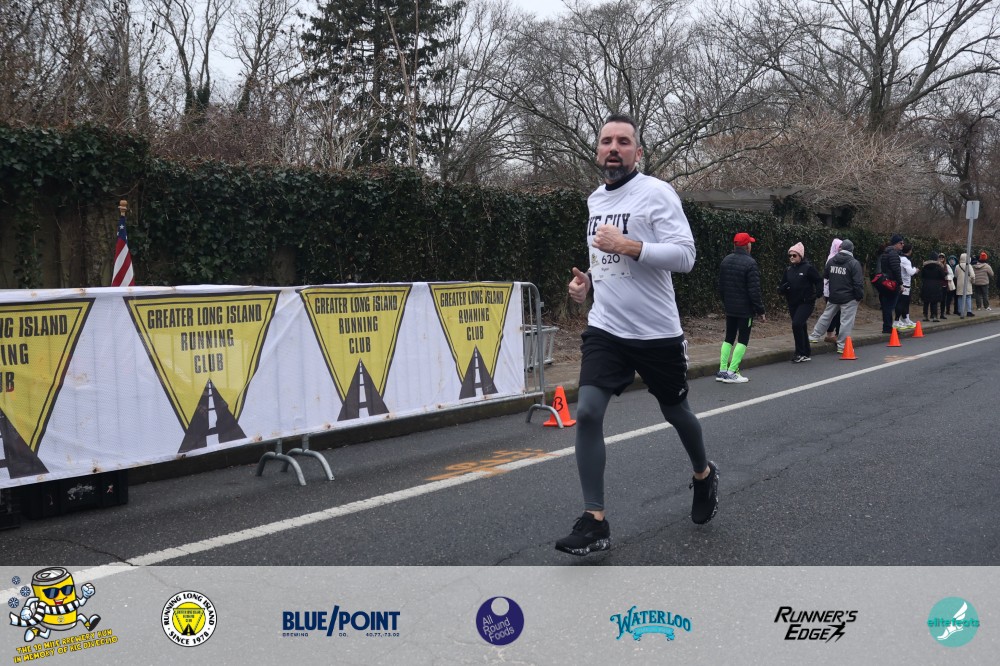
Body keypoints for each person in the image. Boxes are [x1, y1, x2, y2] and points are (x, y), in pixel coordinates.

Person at [558, 113, 719, 556]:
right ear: (597, 150)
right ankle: (594, 522)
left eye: (623, 142)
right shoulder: (594, 200)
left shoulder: (656, 192)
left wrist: (629, 245)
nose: (613, 148)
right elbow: (603, 259)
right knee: (587, 412)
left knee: (677, 412)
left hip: (656, 332)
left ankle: (703, 474)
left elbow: (686, 256)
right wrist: (586, 285)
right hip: (606, 328)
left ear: (638, 152)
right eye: (606, 141)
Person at [717, 232, 765, 383]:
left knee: (729, 338)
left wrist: (726, 302)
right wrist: (760, 310)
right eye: (750, 243)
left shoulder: (726, 260)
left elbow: (721, 287)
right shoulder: (750, 263)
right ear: (747, 246)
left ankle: (722, 370)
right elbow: (754, 290)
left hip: (730, 307)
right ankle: (732, 372)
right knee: (743, 339)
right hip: (745, 310)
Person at [808, 239, 864, 353]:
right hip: (849, 297)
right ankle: (842, 346)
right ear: (852, 250)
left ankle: (814, 336)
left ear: (841, 248)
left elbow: (826, 276)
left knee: (826, 316)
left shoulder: (831, 261)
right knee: (846, 322)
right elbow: (858, 283)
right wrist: (859, 296)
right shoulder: (854, 263)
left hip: (833, 295)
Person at [778, 242, 823, 362]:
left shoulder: (808, 268)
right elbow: (782, 285)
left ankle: (799, 352)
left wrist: (818, 293)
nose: (792, 257)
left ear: (801, 256)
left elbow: (818, 280)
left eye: (794, 255)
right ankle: (806, 352)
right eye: (790, 255)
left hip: (806, 302)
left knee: (797, 324)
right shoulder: (788, 270)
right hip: (792, 302)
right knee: (801, 326)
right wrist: (783, 289)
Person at [876, 234, 904, 333]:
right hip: (892, 283)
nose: (902, 245)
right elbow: (896, 270)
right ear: (896, 243)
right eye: (901, 243)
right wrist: (900, 283)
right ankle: (888, 327)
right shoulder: (893, 254)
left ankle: (886, 326)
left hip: (885, 282)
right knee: (890, 306)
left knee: (885, 305)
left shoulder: (885, 253)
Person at [821, 239, 843, 343]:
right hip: (831, 291)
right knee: (833, 313)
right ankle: (830, 334)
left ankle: (836, 333)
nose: (841, 248)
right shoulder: (832, 259)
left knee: (837, 313)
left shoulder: (836, 258)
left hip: (835, 290)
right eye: (839, 246)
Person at [893, 242, 919, 329]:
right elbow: (910, 272)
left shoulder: (900, 258)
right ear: (910, 251)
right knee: (902, 303)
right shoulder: (906, 260)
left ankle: (906, 319)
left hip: (902, 283)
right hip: (905, 285)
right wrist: (915, 269)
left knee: (905, 303)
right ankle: (897, 320)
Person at [919, 252, 946, 322]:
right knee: (934, 302)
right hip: (936, 286)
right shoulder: (939, 267)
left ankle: (925, 316)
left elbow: (922, 276)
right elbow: (943, 276)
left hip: (926, 285)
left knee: (926, 301)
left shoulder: (925, 266)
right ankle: (934, 316)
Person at [954, 253, 975, 317]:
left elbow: (955, 275)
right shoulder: (969, 265)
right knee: (968, 297)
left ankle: (960, 311)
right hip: (967, 283)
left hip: (959, 284)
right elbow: (972, 275)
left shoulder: (957, 266)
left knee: (960, 297)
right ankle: (969, 311)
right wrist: (972, 281)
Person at [940, 253, 953, 320]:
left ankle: (942, 314)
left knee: (943, 300)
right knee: (935, 300)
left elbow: (951, 275)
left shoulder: (947, 266)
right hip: (937, 285)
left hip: (944, 285)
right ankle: (933, 314)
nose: (941, 258)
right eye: (940, 257)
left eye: (942, 257)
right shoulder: (936, 265)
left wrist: (947, 277)